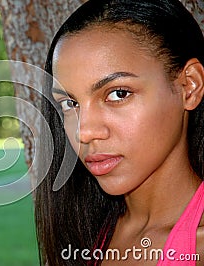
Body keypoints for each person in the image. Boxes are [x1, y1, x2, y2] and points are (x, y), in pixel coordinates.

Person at [35, 0, 204, 265]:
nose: (85, 132)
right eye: (70, 103)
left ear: (189, 86)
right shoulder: (84, 233)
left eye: (118, 94)